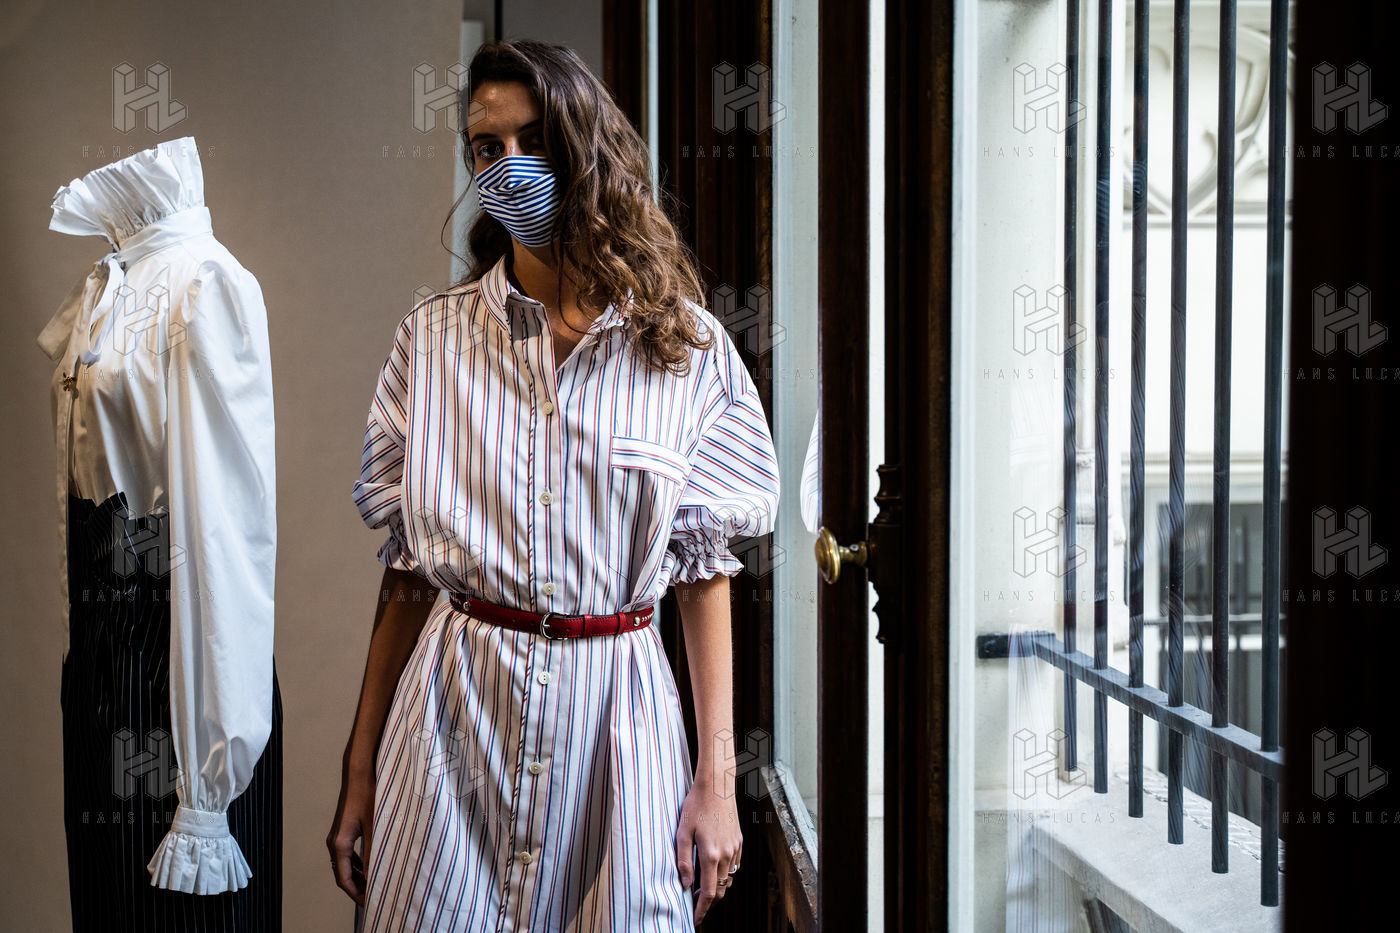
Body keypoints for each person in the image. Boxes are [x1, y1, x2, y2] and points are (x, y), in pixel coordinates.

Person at [326, 39, 780, 932]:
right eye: (486, 148)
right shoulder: (432, 342)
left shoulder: (684, 350)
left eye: (534, 141)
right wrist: (361, 762)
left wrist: (717, 779)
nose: (510, 168)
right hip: (452, 726)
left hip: (619, 727)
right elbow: (409, 570)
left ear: (586, 147)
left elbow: (703, 569)